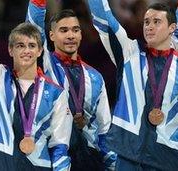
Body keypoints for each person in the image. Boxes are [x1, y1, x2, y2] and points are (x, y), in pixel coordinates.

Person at [88, 0, 178, 170]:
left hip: (169, 162)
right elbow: (103, 18)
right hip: (127, 157)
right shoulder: (129, 53)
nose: (149, 26)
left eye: (157, 22)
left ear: (171, 28)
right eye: (147, 22)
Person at [0, 1, 72, 171]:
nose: (26, 51)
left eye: (32, 46)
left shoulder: (55, 94)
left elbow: (59, 145)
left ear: (39, 51)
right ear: (10, 50)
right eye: (20, 46)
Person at [25, 0, 116, 170]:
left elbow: (104, 131)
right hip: (51, 156)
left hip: (88, 160)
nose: (70, 35)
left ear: (81, 34)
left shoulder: (95, 78)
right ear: (51, 35)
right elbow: (32, 28)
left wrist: (112, 165)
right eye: (63, 30)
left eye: (75, 30)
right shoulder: (45, 64)